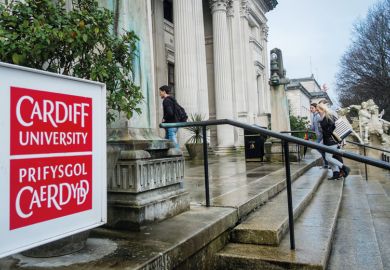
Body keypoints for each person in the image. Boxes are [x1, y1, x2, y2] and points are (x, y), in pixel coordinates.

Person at [317, 103, 351, 180]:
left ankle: (344, 168)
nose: (317, 111)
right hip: (328, 141)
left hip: (331, 141)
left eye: (318, 109)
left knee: (328, 158)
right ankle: (336, 173)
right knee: (329, 159)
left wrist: (328, 133)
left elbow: (331, 127)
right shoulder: (325, 117)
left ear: (322, 109)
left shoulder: (327, 117)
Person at [310, 103, 328, 168]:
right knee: (321, 149)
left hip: (321, 135)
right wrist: (309, 128)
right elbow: (313, 127)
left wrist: (321, 133)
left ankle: (327, 162)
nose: (311, 109)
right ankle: (326, 163)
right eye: (310, 108)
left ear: (316, 109)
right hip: (318, 135)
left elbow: (321, 125)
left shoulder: (317, 116)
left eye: (312, 108)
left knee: (318, 147)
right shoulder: (314, 116)